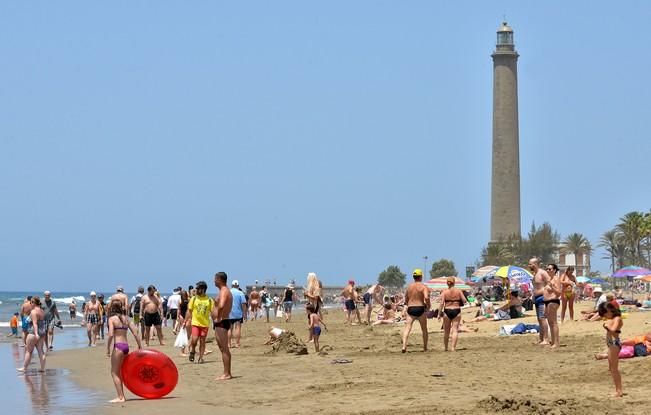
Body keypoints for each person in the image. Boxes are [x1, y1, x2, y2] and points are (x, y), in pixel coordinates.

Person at [105, 299, 143, 403]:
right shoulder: (127, 319)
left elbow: (111, 334)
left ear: (112, 308)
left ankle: (121, 397)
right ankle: (122, 396)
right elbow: (135, 333)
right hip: (126, 347)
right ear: (122, 307)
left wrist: (108, 348)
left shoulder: (112, 319)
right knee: (121, 371)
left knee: (114, 372)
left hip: (118, 347)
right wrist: (140, 346)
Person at [401, 269, 430, 353]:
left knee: (407, 328)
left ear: (413, 277)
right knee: (424, 329)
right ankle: (425, 347)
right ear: (421, 277)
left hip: (411, 309)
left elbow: (406, 299)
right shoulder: (423, 287)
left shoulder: (409, 286)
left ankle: (404, 346)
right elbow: (427, 297)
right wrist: (428, 305)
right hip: (420, 308)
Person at [598, 302, 623, 397]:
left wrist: (606, 326)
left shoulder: (617, 318)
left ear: (609, 311)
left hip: (614, 344)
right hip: (611, 344)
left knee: (614, 369)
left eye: (605, 314)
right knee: (611, 368)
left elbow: (613, 330)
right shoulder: (612, 318)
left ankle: (619, 390)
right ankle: (617, 389)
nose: (605, 316)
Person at [185, 281, 214, 363]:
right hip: (195, 323)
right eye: (196, 288)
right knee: (194, 340)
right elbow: (189, 311)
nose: (196, 290)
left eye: (198, 288)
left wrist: (216, 321)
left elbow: (213, 312)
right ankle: (193, 351)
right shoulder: (193, 299)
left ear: (203, 289)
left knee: (202, 341)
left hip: (205, 324)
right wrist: (185, 321)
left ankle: (201, 357)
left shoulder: (209, 300)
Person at [212, 272, 233, 380]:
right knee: (222, 348)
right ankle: (227, 372)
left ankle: (226, 374)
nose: (214, 281)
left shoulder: (224, 290)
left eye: (215, 279)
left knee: (224, 348)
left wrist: (218, 317)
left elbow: (221, 305)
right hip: (221, 322)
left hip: (222, 321)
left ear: (220, 279)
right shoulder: (223, 290)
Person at [437, 277, 467, 352]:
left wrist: (439, 314)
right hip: (456, 310)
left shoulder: (444, 292)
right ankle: (453, 348)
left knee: (446, 331)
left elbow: (441, 303)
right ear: (454, 283)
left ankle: (446, 348)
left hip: (447, 311)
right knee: (455, 330)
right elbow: (465, 301)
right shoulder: (458, 291)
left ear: (447, 283)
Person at [18, 296, 47, 372]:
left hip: (33, 333)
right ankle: (43, 368)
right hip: (42, 332)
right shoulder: (42, 311)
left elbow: (35, 324)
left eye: (31, 302)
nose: (30, 304)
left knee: (29, 351)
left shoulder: (33, 311)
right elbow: (42, 323)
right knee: (41, 351)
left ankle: (24, 368)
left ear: (34, 303)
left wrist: (36, 334)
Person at [529, 258, 551, 345]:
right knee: (539, 319)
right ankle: (541, 338)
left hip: (542, 298)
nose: (529, 266)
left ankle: (546, 339)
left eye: (531, 264)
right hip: (537, 298)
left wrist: (544, 291)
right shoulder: (534, 274)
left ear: (536, 264)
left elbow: (549, 283)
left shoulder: (542, 273)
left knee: (543, 318)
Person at [544, 264, 562, 349]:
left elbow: (559, 293)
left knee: (554, 322)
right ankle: (553, 341)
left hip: (553, 301)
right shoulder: (549, 279)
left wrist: (552, 287)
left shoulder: (556, 279)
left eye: (550, 269)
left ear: (554, 270)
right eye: (547, 269)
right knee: (550, 323)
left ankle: (556, 342)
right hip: (547, 302)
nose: (548, 270)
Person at [228, 280, 248, 348]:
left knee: (229, 329)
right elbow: (243, 304)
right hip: (238, 313)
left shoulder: (228, 292)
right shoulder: (240, 293)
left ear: (231, 285)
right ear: (238, 286)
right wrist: (245, 314)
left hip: (229, 313)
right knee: (238, 328)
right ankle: (237, 343)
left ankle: (229, 344)